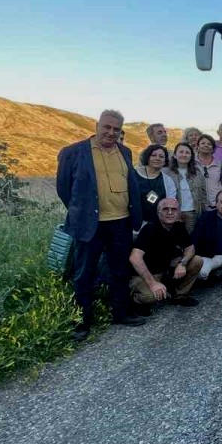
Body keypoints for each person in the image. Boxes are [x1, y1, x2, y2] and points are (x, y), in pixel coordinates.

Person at [56, 109, 146, 341]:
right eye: (106, 127)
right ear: (97, 126)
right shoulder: (73, 152)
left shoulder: (125, 152)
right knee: (84, 273)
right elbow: (64, 189)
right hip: (89, 225)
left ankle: (121, 313)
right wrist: (81, 212)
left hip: (120, 222)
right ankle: (81, 322)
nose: (111, 132)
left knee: (119, 270)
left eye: (116, 129)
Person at [129, 197, 202, 313]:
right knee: (151, 297)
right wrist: (152, 283)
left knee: (197, 260)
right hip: (146, 275)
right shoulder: (150, 228)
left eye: (174, 209)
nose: (170, 212)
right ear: (158, 212)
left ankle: (179, 296)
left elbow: (190, 248)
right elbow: (134, 258)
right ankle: (135, 300)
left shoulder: (178, 226)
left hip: (165, 270)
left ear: (178, 212)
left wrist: (182, 263)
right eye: (165, 209)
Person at [164, 142, 206, 234]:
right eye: (181, 152)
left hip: (192, 212)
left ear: (191, 156)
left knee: (189, 240)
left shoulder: (197, 173)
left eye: (187, 153)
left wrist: (204, 211)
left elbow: (203, 194)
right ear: (175, 155)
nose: (184, 155)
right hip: (173, 213)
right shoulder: (166, 173)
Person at [134, 144, 177, 230]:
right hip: (134, 225)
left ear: (165, 160)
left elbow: (171, 202)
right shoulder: (134, 175)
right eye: (153, 155)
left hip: (157, 226)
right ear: (147, 157)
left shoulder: (168, 180)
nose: (157, 158)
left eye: (161, 156)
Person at [194, 133, 222, 210]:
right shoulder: (191, 164)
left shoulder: (220, 164)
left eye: (209, 144)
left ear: (213, 148)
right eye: (203, 143)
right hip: (197, 205)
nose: (206, 145)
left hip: (216, 205)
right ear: (197, 147)